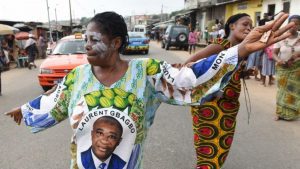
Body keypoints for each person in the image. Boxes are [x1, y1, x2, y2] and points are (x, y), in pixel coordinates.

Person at [5, 11, 294, 169]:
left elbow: (188, 77)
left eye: (94, 39)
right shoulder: (78, 75)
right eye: (86, 40)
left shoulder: (145, 73)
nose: (87, 46)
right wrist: (26, 110)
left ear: (116, 42)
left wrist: (241, 50)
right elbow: (56, 100)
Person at [184, 13, 254, 169]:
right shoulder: (220, 46)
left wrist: (244, 73)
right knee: (208, 155)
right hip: (210, 108)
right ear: (232, 26)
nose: (249, 28)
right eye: (245, 24)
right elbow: (188, 64)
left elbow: (227, 73)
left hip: (228, 109)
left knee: (219, 151)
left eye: (251, 26)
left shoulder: (241, 51)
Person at [272, 15, 300, 121]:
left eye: (296, 24)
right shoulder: (281, 37)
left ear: (299, 25)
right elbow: (274, 53)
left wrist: (296, 58)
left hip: (297, 69)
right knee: (282, 91)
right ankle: (279, 113)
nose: (293, 26)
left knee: (294, 90)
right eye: (291, 24)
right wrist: (279, 60)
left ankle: (291, 113)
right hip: (282, 68)